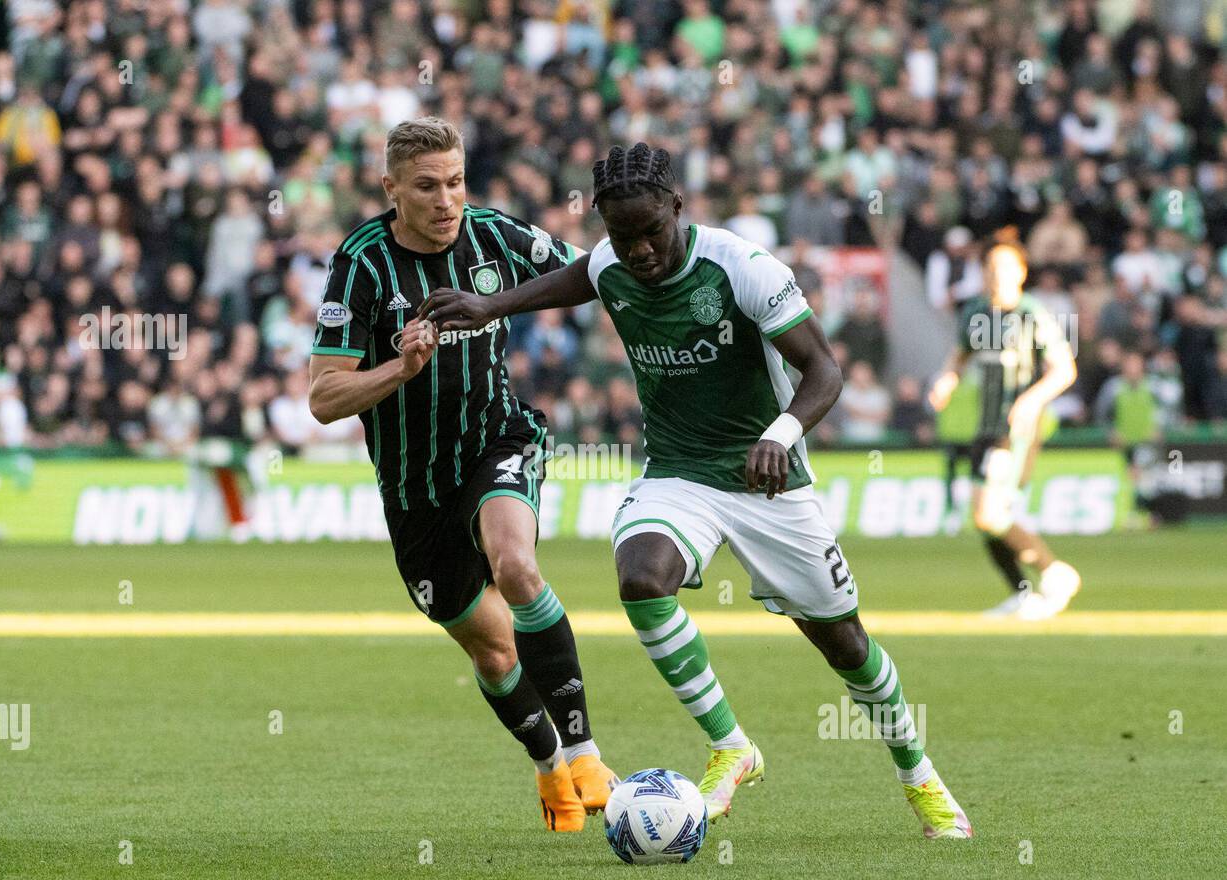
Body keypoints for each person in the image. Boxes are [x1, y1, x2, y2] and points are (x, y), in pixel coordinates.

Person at [420, 143, 972, 838]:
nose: (641, 250)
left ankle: (919, 775)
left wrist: (781, 433)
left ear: (678, 207)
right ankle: (732, 745)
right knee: (641, 577)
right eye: (624, 236)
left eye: (652, 230)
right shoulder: (610, 262)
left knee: (846, 645)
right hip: (679, 472)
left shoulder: (743, 268)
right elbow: (570, 281)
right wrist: (489, 305)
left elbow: (823, 370)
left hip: (767, 477)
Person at [307, 118, 617, 832]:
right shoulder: (360, 265)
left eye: (455, 181)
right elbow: (324, 397)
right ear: (391, 189)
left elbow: (589, 274)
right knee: (493, 647)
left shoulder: (492, 236)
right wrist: (400, 366)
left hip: (496, 440)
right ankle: (548, 765)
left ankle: (586, 750)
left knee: (516, 565)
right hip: (415, 491)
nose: (447, 200)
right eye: (426, 186)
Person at [929, 234, 1082, 619]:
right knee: (985, 520)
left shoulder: (1032, 313)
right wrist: (946, 381)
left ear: (1021, 272)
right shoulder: (975, 313)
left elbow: (1064, 369)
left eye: (1004, 268)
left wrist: (1031, 400)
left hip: (1017, 431)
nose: (996, 275)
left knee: (989, 513)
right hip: (985, 426)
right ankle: (1023, 592)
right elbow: (959, 358)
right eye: (990, 268)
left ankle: (1054, 572)